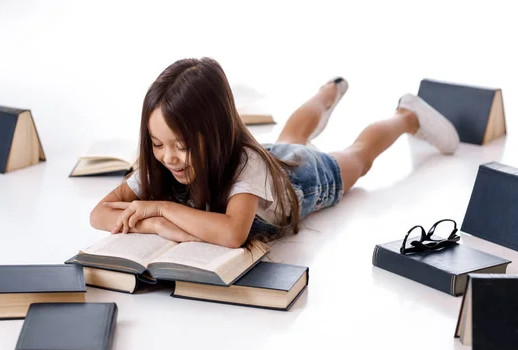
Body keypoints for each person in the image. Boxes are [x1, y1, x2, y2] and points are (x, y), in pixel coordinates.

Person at [89, 57, 459, 248]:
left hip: (302, 182)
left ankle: (407, 114)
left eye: (181, 146)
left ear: (216, 134)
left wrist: (159, 208)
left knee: (358, 157)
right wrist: (155, 225)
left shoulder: (245, 164)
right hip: (271, 165)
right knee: (292, 137)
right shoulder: (168, 164)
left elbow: (233, 233)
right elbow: (98, 214)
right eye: (156, 144)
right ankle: (326, 93)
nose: (167, 158)